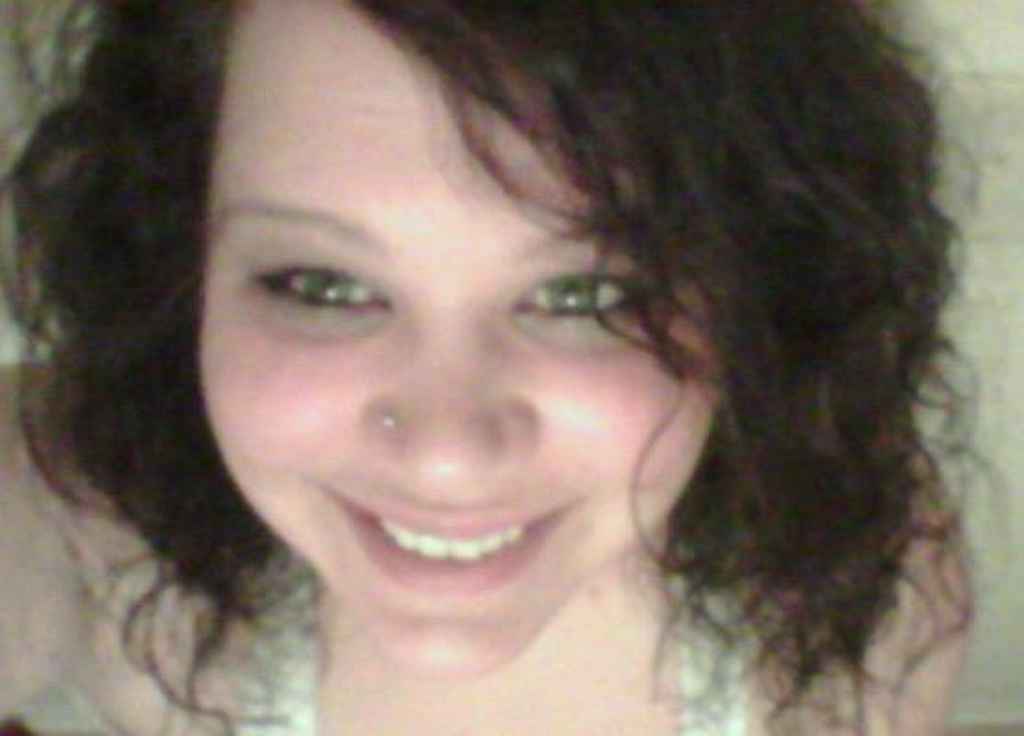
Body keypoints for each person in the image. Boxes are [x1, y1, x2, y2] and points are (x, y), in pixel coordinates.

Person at [1, 0, 973, 734]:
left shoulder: (863, 569)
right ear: (179, 261)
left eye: (587, 295)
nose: (447, 456)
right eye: (323, 285)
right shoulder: (77, 504)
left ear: (753, 290)